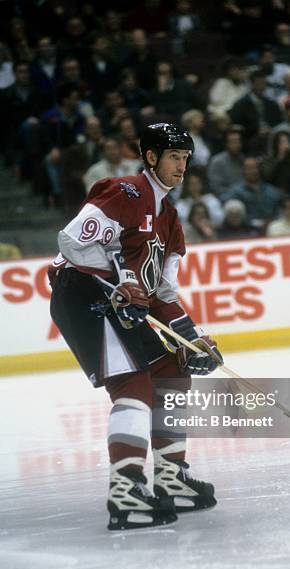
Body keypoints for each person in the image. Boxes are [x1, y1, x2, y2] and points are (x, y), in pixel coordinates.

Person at [48, 123, 223, 530]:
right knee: (133, 384)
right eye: (174, 157)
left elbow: (162, 291)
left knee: (173, 369)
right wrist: (121, 284)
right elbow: (72, 242)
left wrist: (194, 339)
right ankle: (125, 491)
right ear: (150, 157)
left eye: (186, 159)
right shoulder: (125, 192)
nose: (182, 167)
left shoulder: (171, 219)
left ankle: (171, 479)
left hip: (118, 302)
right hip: (82, 293)